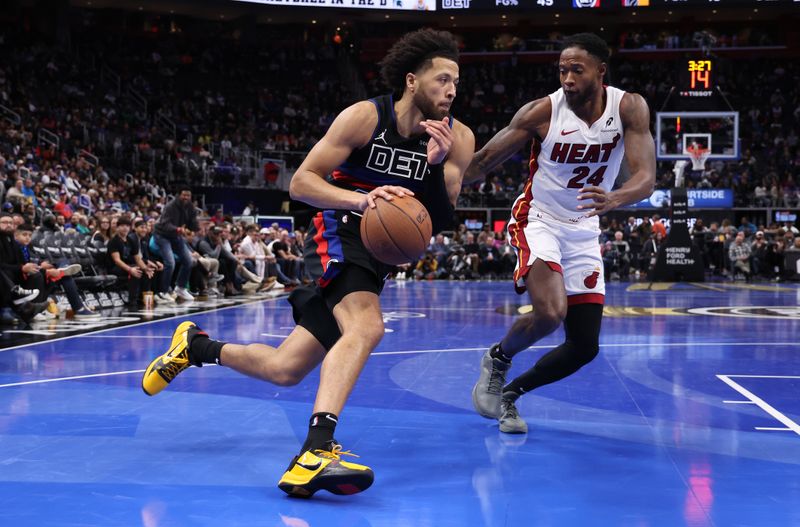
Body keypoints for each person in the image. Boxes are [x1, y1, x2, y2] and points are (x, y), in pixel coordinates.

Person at [141, 28, 475, 497]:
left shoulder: (457, 138)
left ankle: (195, 348)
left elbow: (441, 218)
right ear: (412, 81)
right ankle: (316, 450)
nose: (452, 90)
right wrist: (360, 201)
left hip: (377, 256)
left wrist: (435, 165)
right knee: (366, 327)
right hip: (338, 231)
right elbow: (301, 183)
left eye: (457, 82)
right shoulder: (365, 117)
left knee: (286, 368)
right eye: (442, 79)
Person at [465, 33, 655, 434]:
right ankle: (498, 359)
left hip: (585, 228)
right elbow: (482, 162)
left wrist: (615, 197)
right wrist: (432, 185)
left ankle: (511, 394)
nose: (567, 78)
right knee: (550, 314)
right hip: (540, 219)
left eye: (576, 70)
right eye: (562, 70)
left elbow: (645, 179)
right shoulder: (542, 113)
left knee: (584, 347)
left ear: (601, 72)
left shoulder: (629, 107)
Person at [152, 186, 198, 302]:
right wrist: (178, 229)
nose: (186, 198)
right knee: (170, 262)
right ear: (179, 195)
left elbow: (192, 223)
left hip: (175, 236)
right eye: (184, 195)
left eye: (188, 195)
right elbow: (165, 224)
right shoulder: (170, 206)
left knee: (189, 261)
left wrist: (194, 228)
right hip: (162, 235)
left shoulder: (190, 207)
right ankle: (163, 291)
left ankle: (180, 288)